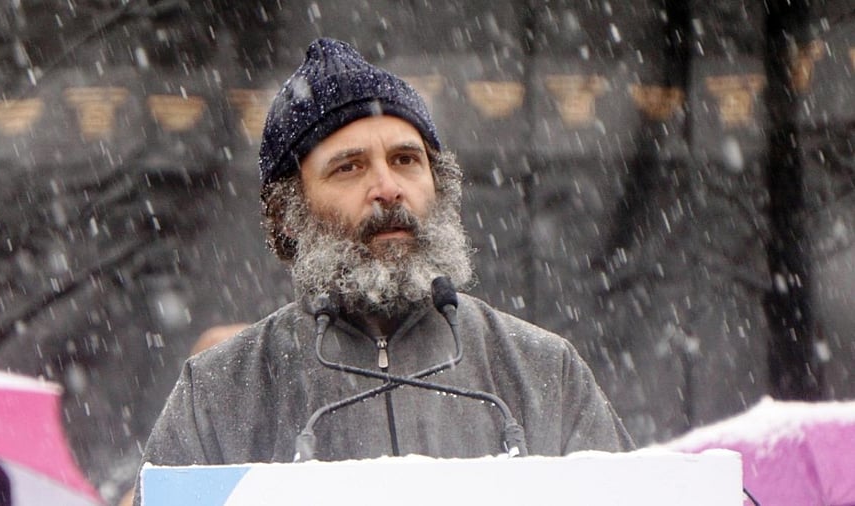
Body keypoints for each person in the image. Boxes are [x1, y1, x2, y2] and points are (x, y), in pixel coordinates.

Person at [134, 37, 632, 503]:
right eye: (349, 167)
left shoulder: (543, 369)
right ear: (288, 211)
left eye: (406, 160)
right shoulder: (221, 390)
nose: (388, 187)